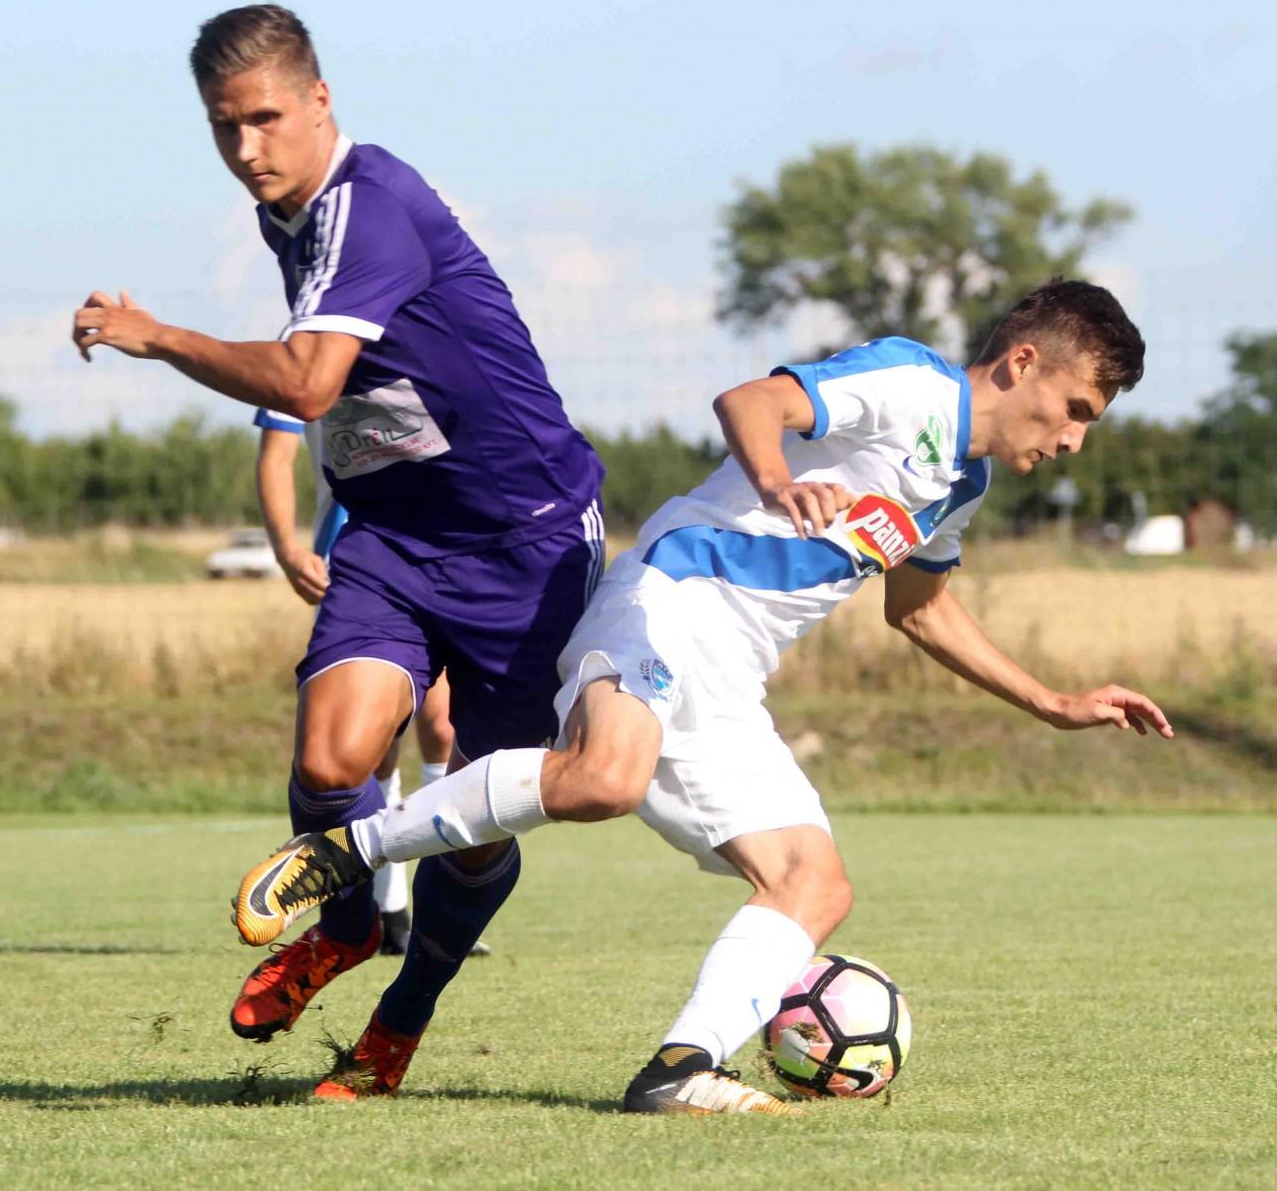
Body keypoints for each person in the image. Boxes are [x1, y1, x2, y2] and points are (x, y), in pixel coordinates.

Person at [234, 280, 1173, 1111]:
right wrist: (775, 478)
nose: (1073, 439)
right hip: (669, 600)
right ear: (1022, 362)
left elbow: (919, 607)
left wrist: (1053, 701)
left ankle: (680, 1069)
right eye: (1075, 408)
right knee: (603, 777)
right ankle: (348, 850)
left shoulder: (961, 482)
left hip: (730, 677)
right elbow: (749, 400)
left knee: (814, 882)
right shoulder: (912, 385)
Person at [73, 5, 603, 1059]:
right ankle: (348, 926)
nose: (245, 148)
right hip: (397, 536)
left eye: (264, 118)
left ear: (320, 100)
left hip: (525, 542)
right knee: (330, 759)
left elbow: (310, 385)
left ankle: (403, 1017)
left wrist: (160, 336)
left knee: (473, 823)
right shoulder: (291, 214)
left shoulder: (368, 208)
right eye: (223, 125)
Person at [254, 407, 461, 955]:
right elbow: (277, 452)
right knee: (372, 750)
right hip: (359, 561)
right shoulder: (310, 358)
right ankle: (389, 907)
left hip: (447, 555)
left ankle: (439, 910)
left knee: (444, 727)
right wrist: (288, 549)